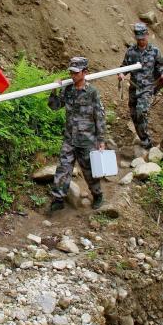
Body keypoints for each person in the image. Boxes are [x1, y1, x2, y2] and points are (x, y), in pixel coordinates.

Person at [48, 57, 107, 212]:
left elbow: (99, 116)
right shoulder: (68, 89)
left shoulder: (92, 92)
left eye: (76, 72)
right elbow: (54, 106)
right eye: (71, 72)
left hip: (87, 141)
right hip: (70, 139)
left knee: (89, 171)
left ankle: (98, 194)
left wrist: (101, 139)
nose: (72, 75)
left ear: (85, 72)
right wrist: (54, 89)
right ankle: (58, 199)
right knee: (63, 168)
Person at [117, 23, 163, 149]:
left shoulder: (155, 51)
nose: (141, 41)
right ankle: (143, 138)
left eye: (143, 38)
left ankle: (147, 140)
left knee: (141, 111)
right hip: (134, 87)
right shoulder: (131, 51)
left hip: (147, 88)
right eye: (139, 39)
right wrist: (121, 74)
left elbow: (160, 65)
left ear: (147, 35)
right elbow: (124, 66)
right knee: (134, 114)